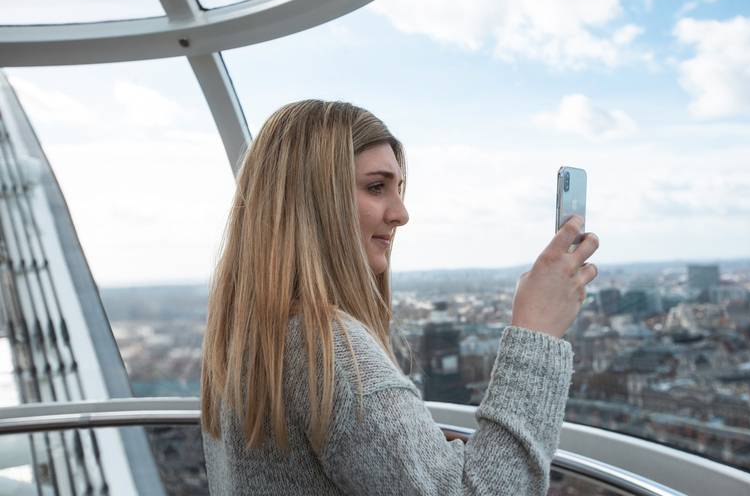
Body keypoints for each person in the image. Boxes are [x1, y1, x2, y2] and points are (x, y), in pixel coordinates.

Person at [201, 99, 599, 495]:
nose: (401, 213)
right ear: (312, 201)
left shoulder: (250, 335)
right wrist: (537, 332)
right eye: (376, 187)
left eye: (398, 188)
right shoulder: (330, 351)